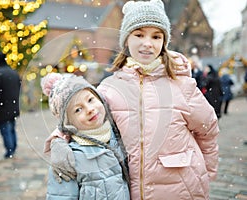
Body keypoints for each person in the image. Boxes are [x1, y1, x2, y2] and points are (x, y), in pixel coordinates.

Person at [47, 0, 220, 199]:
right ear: (127, 39)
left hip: (183, 188)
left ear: (164, 42)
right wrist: (59, 143)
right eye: (139, 34)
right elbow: (80, 117)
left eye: (156, 36)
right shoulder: (110, 88)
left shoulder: (181, 85)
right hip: (135, 191)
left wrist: (208, 170)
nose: (147, 43)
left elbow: (208, 129)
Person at [41, 73, 130, 199]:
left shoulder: (118, 133)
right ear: (68, 123)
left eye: (90, 100)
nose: (89, 109)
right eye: (78, 109)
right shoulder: (69, 158)